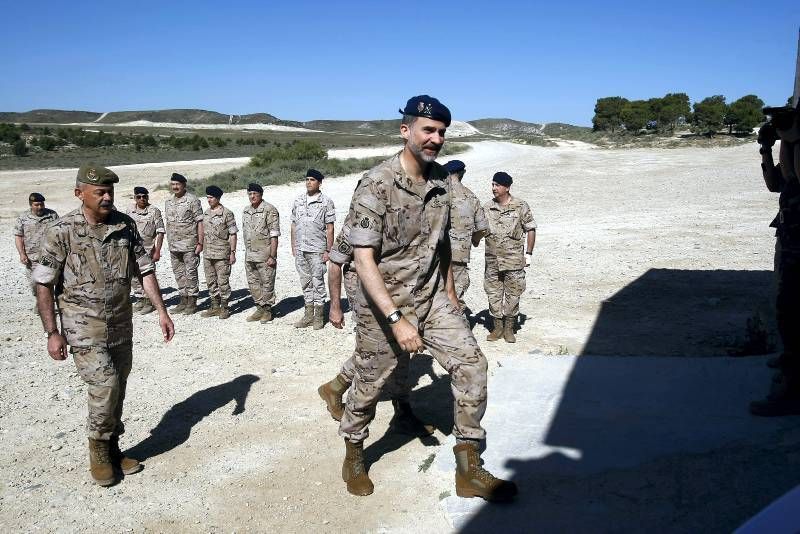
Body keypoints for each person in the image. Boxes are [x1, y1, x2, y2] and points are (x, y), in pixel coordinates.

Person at [337, 95, 517, 502]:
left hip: (432, 297)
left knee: (472, 364)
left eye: (441, 132)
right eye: (428, 130)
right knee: (369, 383)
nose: (436, 138)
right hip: (383, 304)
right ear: (406, 131)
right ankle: (354, 451)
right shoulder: (376, 184)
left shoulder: (441, 183)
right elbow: (362, 259)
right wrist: (396, 318)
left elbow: (443, 243)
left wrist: (451, 290)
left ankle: (468, 467)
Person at [32, 164, 174, 486]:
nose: (106, 197)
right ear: (79, 193)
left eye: (110, 191)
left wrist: (162, 312)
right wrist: (52, 332)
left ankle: (113, 448)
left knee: (119, 387)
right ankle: (97, 449)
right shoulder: (62, 230)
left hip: (121, 323)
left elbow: (145, 270)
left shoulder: (124, 225)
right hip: (83, 326)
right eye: (100, 192)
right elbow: (43, 283)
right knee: (105, 385)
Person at [318, 199, 433, 437]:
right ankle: (335, 387)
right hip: (365, 292)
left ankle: (403, 411)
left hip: (394, 292)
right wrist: (335, 307)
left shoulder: (401, 215)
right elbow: (335, 264)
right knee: (375, 350)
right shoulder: (358, 222)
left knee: (401, 350)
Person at [752, 100, 800, 416]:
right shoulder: (793, 148)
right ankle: (790, 362)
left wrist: (791, 141)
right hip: (791, 240)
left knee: (795, 313)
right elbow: (776, 184)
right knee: (788, 308)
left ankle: (793, 391)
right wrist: (769, 149)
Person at [483, 172, 537, 343]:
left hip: (513, 261)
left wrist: (528, 254)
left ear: (507, 187)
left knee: (513, 294)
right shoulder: (486, 208)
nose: (494, 188)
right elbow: (478, 229)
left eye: (497, 185)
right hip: (492, 261)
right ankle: (497, 327)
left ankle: (509, 328)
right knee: (493, 294)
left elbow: (531, 229)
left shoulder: (520, 206)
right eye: (492, 184)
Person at [291, 169, 335, 330]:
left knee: (318, 282)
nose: (309, 182)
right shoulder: (299, 201)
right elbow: (294, 225)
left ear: (319, 183)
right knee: (305, 282)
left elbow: (330, 228)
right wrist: (294, 246)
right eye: (307, 179)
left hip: (317, 249)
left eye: (312, 180)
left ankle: (319, 316)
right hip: (301, 248)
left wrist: (328, 250)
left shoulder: (326, 202)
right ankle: (308, 315)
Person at [443, 160, 488, 310]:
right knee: (456, 296)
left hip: (435, 253)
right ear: (462, 174)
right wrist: (473, 240)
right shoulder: (471, 197)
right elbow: (482, 228)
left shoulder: (437, 195)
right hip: (459, 255)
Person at [164, 173, 204, 315]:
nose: (175, 187)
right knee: (179, 273)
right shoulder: (168, 202)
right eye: (173, 184)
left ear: (184, 185)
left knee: (191, 273)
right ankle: (183, 299)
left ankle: (192, 302)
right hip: (174, 244)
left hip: (189, 244)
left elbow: (200, 222)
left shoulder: (192, 200)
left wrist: (200, 242)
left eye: (178, 184)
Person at [242, 183, 280, 323]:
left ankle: (268, 310)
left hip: (265, 254)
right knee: (253, 283)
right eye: (250, 194)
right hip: (250, 254)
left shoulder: (269, 210)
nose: (252, 196)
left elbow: (274, 235)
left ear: (261, 195)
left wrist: (273, 256)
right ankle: (259, 307)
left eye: (255, 194)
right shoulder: (246, 211)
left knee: (267, 282)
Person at [14, 192, 59, 309]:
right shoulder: (23, 218)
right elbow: (18, 236)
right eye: (37, 205)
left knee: (48, 281)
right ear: (31, 205)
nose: (40, 207)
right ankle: (40, 301)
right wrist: (22, 254)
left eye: (42, 204)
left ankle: (45, 306)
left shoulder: (52, 215)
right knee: (34, 284)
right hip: (31, 257)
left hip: (50, 255)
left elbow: (59, 233)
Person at [125, 186, 165, 315]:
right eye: (139, 197)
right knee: (134, 277)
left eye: (144, 196)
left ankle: (150, 301)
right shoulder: (129, 210)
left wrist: (157, 250)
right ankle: (140, 298)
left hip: (147, 250)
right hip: (132, 248)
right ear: (135, 198)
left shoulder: (154, 211)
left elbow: (160, 232)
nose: (142, 199)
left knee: (146, 275)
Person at [200, 186, 238, 319]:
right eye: (208, 197)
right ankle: (215, 306)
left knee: (223, 281)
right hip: (208, 253)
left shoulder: (227, 213)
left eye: (211, 197)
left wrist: (232, 252)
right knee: (210, 281)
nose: (209, 200)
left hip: (222, 253)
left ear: (218, 198)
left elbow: (233, 234)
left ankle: (225, 307)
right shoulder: (206, 213)